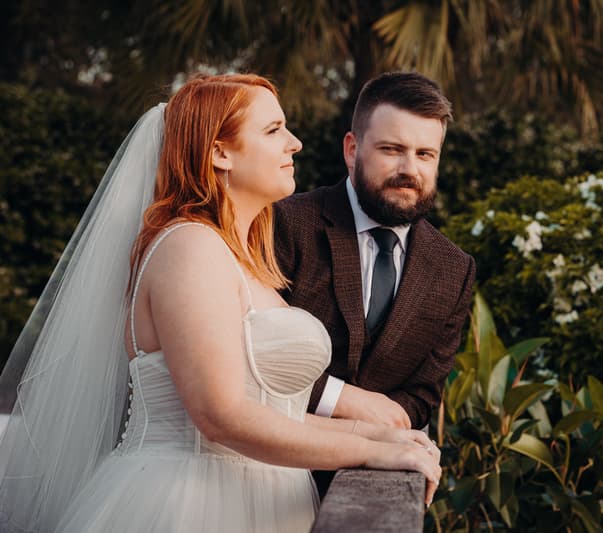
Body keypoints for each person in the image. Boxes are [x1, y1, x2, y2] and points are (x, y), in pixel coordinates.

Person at [0, 74, 441, 533]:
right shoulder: (187, 246)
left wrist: (386, 436)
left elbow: (279, 412)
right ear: (219, 152)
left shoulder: (242, 260)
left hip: (266, 499)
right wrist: (374, 451)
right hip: (189, 502)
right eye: (273, 130)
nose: (295, 143)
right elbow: (220, 415)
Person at [273, 72, 476, 433]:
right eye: (392, 150)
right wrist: (348, 407)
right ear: (352, 150)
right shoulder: (286, 224)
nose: (409, 170)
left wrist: (379, 435)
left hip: (377, 475)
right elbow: (257, 356)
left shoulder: (454, 269)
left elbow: (423, 395)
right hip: (271, 463)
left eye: (425, 154)